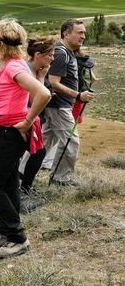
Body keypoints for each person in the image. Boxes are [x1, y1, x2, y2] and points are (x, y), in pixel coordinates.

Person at [0, 19, 51, 259]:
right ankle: (6, 232)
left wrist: (28, 121)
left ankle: (18, 237)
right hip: (4, 131)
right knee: (8, 184)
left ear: (0, 43)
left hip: (11, 133)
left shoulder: (13, 67)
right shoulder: (11, 64)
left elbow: (43, 93)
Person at [41, 19, 96, 184]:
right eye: (79, 32)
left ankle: (19, 172)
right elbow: (53, 82)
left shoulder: (68, 52)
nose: (83, 36)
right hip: (59, 106)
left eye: (84, 33)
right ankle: (59, 178)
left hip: (58, 105)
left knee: (43, 143)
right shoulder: (61, 53)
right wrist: (78, 95)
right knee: (71, 143)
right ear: (66, 33)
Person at [17, 37, 55, 197]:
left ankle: (24, 186)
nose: (52, 59)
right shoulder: (26, 70)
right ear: (38, 54)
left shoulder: (34, 69)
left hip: (28, 117)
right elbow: (33, 98)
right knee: (34, 152)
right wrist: (41, 79)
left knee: (38, 152)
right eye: (50, 55)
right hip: (19, 119)